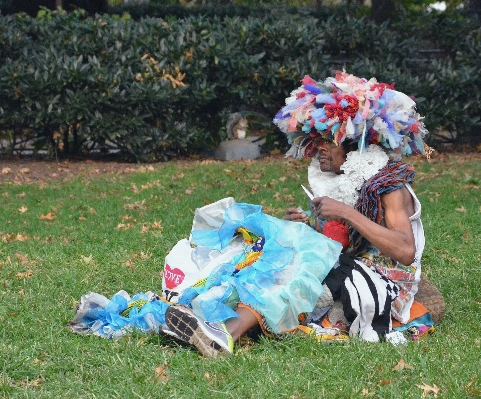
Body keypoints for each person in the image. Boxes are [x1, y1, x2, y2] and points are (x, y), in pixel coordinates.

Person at [163, 71, 432, 353]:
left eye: (329, 141)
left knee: (290, 270)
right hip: (347, 270)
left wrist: (345, 213)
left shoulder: (389, 186)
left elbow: (404, 251)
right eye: (317, 141)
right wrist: (308, 226)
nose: (319, 150)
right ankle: (204, 319)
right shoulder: (341, 183)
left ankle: (224, 334)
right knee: (271, 253)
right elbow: (344, 242)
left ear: (355, 143)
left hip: (383, 284)